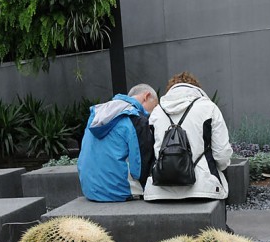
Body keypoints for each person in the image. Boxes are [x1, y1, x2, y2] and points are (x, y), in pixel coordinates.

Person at [144, 72, 233, 202]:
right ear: (196, 88)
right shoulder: (208, 108)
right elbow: (222, 154)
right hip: (203, 189)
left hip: (159, 190)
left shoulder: (156, 112)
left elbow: (149, 152)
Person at [78, 84, 158, 202]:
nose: (154, 110)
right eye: (155, 105)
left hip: (90, 189)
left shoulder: (98, 113)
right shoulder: (135, 119)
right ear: (146, 96)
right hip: (117, 191)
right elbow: (140, 167)